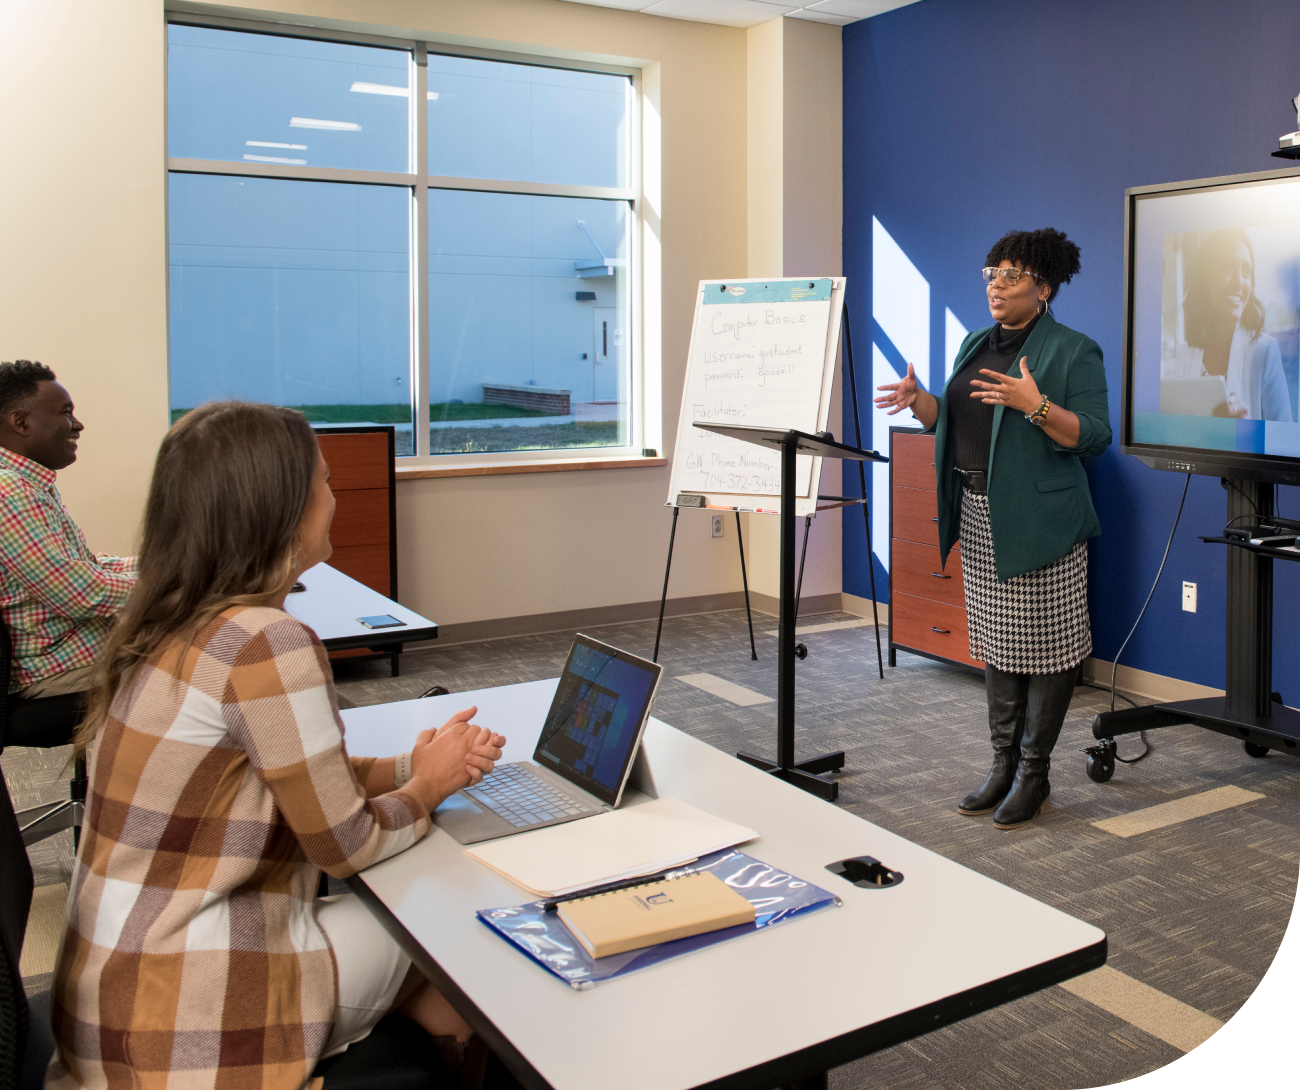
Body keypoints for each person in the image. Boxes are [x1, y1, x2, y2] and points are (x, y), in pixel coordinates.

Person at [46, 402, 505, 1089]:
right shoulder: (266, 642)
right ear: (280, 508)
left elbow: (287, 777)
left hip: (112, 996)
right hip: (184, 1014)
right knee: (457, 919)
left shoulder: (171, 622)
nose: (335, 496)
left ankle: (432, 1042)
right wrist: (429, 789)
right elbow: (345, 845)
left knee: (423, 975)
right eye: (323, 483)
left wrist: (414, 763)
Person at [874, 228, 1111, 830]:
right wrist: (922, 402)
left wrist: (1034, 405)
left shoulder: (1073, 350)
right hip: (980, 514)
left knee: (1049, 648)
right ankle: (1002, 764)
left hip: (1043, 520)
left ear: (1045, 287)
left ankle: (1035, 774)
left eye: (1012, 274)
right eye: (991, 273)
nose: (996, 284)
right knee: (1000, 645)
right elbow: (956, 422)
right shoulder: (976, 342)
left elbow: (1093, 436)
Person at [0, 359, 136, 698]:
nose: (78, 425)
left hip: (76, 648)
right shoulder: (9, 491)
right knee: (200, 661)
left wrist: (173, 567)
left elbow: (84, 566)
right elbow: (78, 592)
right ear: (20, 421)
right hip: (53, 668)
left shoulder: (30, 483)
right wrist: (172, 586)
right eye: (66, 412)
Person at [1164, 227, 1291, 421]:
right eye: (1227, 268)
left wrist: (1242, 431)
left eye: (1246, 271)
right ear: (1205, 279)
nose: (1239, 282)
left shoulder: (1265, 351)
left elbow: (1284, 442)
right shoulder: (1185, 354)